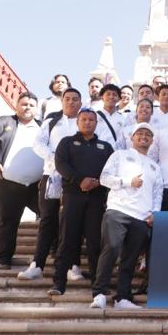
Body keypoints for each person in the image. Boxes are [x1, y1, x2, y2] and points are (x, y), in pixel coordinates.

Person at [91, 121, 163, 309]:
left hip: (141, 217)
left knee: (130, 258)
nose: (144, 137)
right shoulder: (119, 155)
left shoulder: (155, 166)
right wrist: (127, 182)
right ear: (132, 137)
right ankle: (99, 293)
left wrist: (155, 213)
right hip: (118, 210)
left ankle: (122, 297)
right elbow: (104, 178)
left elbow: (158, 192)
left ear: (152, 140)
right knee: (111, 249)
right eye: (140, 133)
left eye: (148, 134)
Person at [48, 108, 115, 296]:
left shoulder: (105, 147)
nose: (88, 122)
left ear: (96, 123)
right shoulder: (67, 143)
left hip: (96, 198)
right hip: (73, 197)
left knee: (95, 243)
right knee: (67, 241)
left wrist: (97, 182)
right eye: (84, 119)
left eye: (91, 120)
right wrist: (80, 180)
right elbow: (61, 164)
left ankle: (98, 286)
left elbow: (112, 170)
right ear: (78, 122)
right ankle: (58, 283)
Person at [20, 87, 82, 281]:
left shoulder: (85, 121)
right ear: (62, 101)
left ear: (81, 103)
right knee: (47, 220)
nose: (71, 102)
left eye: (75, 99)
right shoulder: (52, 120)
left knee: (72, 223)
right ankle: (37, 264)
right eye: (68, 99)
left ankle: (73, 265)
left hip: (75, 179)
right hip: (52, 175)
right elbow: (38, 144)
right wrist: (55, 159)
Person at [0, 92, 43, 270]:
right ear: (16, 105)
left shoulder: (43, 127)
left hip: (36, 186)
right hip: (7, 183)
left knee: (50, 217)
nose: (27, 107)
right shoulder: (5, 122)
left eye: (31, 104)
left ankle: (48, 255)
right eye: (23, 104)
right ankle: (3, 259)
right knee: (6, 222)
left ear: (37, 109)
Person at [95, 84, 127, 151]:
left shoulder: (123, 119)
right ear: (102, 97)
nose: (111, 97)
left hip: (117, 153)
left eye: (114, 95)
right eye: (108, 94)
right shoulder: (94, 116)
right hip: (98, 152)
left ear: (119, 99)